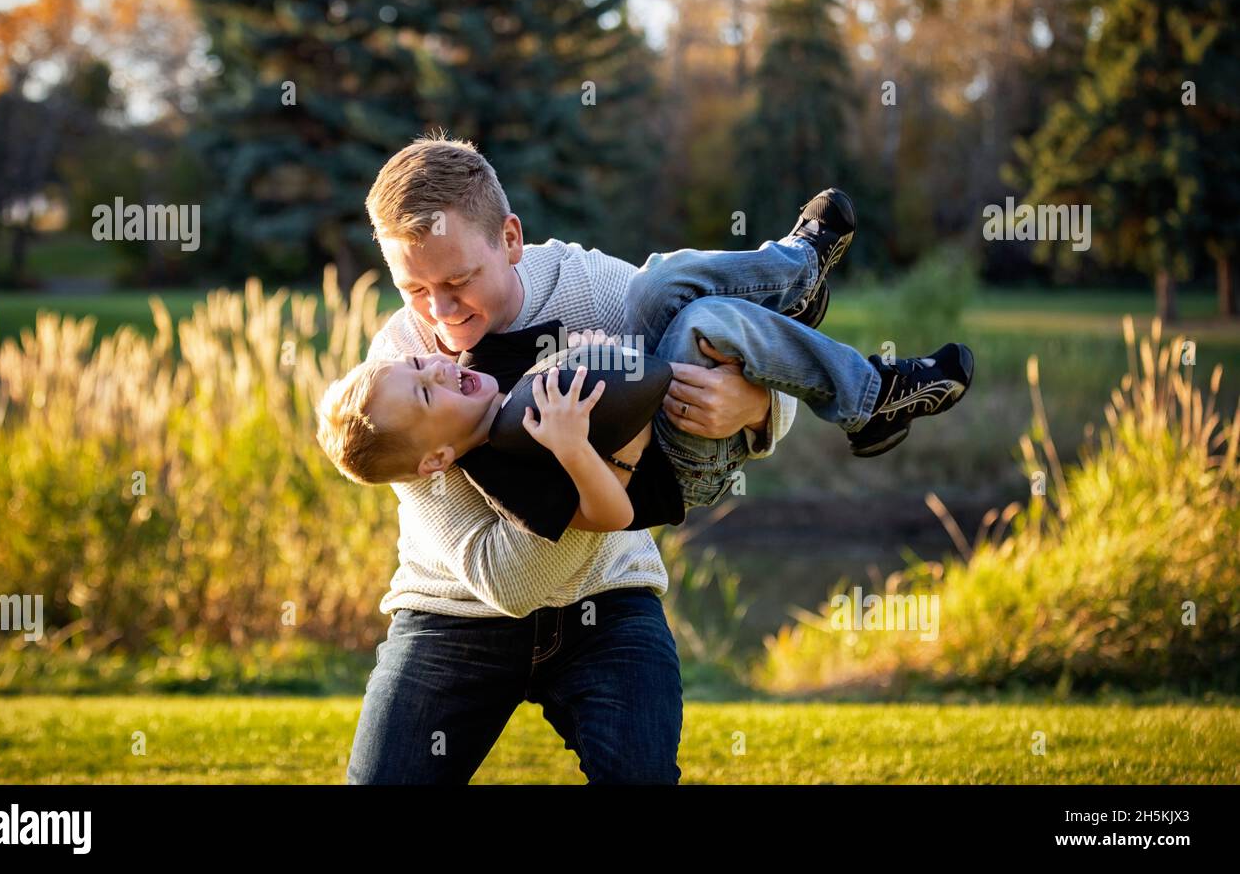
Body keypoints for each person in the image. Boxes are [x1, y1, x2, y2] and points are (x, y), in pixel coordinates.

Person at [320, 133, 796, 784]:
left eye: (459, 279)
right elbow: (510, 581)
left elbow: (756, 354)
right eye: (415, 287)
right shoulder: (402, 370)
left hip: (610, 599)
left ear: (510, 239)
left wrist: (754, 404)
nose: (440, 312)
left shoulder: (597, 289)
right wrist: (615, 458)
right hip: (454, 615)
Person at [321, 189, 974, 545]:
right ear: (436, 457)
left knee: (658, 284)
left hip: (660, 388)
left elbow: (607, 351)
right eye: (429, 394)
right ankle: (868, 396)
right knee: (704, 324)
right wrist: (583, 449)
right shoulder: (498, 470)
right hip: (676, 463)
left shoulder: (480, 357)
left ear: (509, 239)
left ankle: (795, 271)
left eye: (420, 367)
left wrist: (756, 403)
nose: (438, 367)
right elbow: (609, 517)